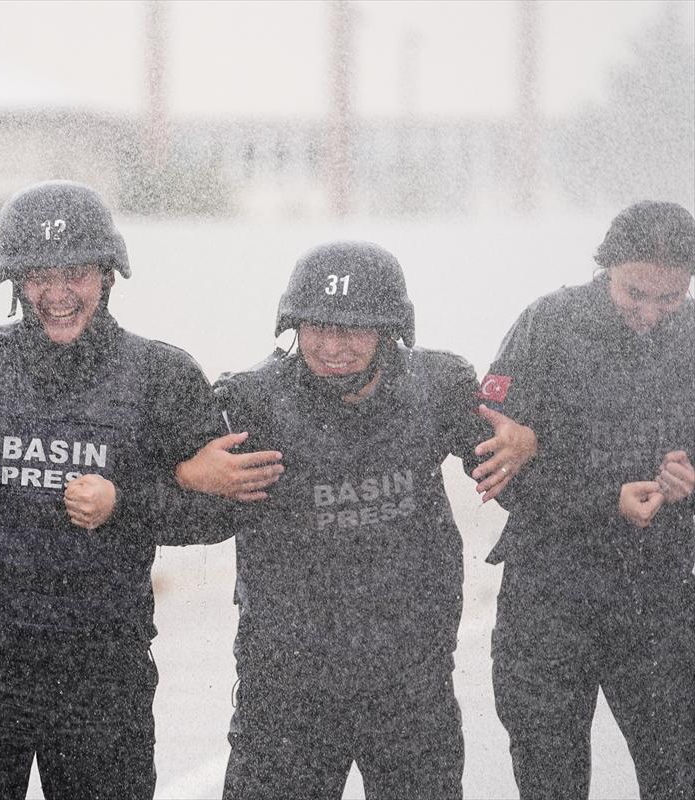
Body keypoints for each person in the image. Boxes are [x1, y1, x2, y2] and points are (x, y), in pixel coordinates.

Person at [0, 180, 224, 800]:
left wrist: (126, 503)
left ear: (109, 275)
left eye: (76, 273)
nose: (58, 294)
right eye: (38, 275)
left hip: (101, 670)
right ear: (12, 281)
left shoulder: (161, 375)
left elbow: (219, 509)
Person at [176, 241, 537, 799]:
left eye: (354, 330)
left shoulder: (438, 386)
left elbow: (510, 470)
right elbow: (191, 517)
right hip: (288, 683)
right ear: (292, 326)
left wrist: (527, 441)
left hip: (409, 679)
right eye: (316, 327)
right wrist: (189, 476)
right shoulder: (249, 401)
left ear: (391, 331)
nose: (332, 347)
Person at [483, 201, 695, 800]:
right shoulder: (548, 324)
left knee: (678, 773)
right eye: (635, 292)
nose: (650, 312)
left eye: (670, 298)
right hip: (552, 591)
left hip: (663, 595)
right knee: (550, 775)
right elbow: (490, 460)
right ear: (606, 268)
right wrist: (605, 499)